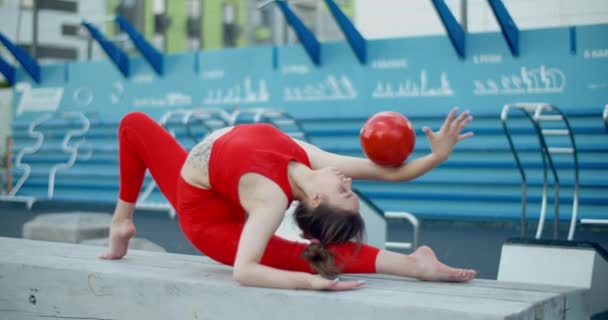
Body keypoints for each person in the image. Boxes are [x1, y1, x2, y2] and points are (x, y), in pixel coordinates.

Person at [100, 107, 477, 291]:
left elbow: (244, 271)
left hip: (206, 223)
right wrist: (437, 156)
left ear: (315, 199)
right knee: (133, 123)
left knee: (307, 260)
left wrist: (310, 284)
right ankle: (122, 221)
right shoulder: (313, 162)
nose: (348, 181)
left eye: (344, 191)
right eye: (350, 188)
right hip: (201, 187)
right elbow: (390, 171)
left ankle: (415, 265)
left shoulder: (270, 198)